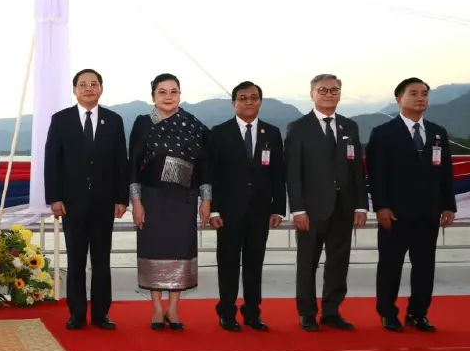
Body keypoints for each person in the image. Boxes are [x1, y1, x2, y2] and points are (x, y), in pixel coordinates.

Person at [366, 77, 457, 332]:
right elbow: (376, 175)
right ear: (399, 99)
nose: (420, 98)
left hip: (428, 212)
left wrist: (448, 205)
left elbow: (446, 173)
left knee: (425, 267)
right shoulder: (383, 133)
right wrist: (381, 207)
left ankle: (418, 314)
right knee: (390, 265)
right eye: (414, 93)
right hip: (395, 213)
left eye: (424, 94)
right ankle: (388, 313)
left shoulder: (438, 132)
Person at [43, 68, 129, 330]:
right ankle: (77, 313)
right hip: (72, 204)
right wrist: (54, 198)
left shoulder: (114, 121)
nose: (88, 88)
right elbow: (52, 161)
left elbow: (121, 162)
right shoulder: (61, 120)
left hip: (104, 203)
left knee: (102, 260)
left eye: (93, 84)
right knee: (76, 259)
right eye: (83, 84)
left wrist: (121, 198)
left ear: (101, 88)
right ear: (75, 90)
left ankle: (101, 314)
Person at [129, 73, 212, 330]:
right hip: (152, 198)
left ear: (180, 94)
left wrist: (206, 200)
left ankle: (173, 308)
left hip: (184, 200)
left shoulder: (194, 125)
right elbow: (132, 165)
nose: (168, 96)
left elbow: (205, 165)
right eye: (162, 92)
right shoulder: (142, 123)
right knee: (153, 249)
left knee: (180, 250)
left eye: (173, 91)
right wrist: (136, 201)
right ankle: (156, 307)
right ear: (153, 96)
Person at [286, 73, 368, 331]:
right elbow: (293, 173)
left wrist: (360, 205)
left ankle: (332, 311)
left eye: (334, 90)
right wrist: (297, 209)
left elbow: (357, 171)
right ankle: (307, 313)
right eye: (323, 90)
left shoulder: (349, 127)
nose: (329, 94)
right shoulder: (298, 127)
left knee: (338, 262)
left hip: (344, 208)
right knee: (307, 263)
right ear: (312, 94)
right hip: (311, 210)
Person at [207, 81, 287, 331]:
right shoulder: (219, 133)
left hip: (260, 211)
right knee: (228, 263)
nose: (249, 102)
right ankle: (226, 311)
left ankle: (252, 312)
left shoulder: (272, 133)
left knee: (254, 263)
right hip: (228, 212)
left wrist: (278, 208)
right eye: (243, 98)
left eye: (253, 97)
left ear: (260, 102)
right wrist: (213, 209)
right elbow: (212, 174)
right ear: (234, 103)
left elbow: (278, 173)